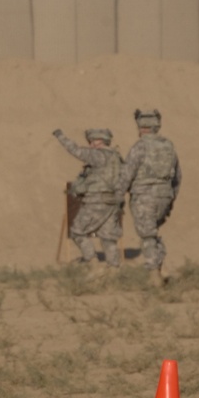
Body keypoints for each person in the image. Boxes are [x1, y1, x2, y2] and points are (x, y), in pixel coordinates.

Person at [115, 109, 182, 286]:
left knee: (147, 235)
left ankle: (154, 274)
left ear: (141, 127)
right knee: (153, 233)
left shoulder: (140, 146)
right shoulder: (169, 146)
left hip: (144, 197)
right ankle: (160, 268)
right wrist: (171, 197)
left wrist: (119, 195)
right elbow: (178, 177)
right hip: (164, 196)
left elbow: (127, 173)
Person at [53, 127, 124, 276]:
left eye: (93, 141)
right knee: (108, 237)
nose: (91, 144)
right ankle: (114, 269)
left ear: (101, 141)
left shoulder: (98, 155)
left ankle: (93, 263)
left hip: (96, 200)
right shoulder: (116, 157)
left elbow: (76, 150)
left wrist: (61, 137)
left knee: (77, 231)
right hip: (113, 201)